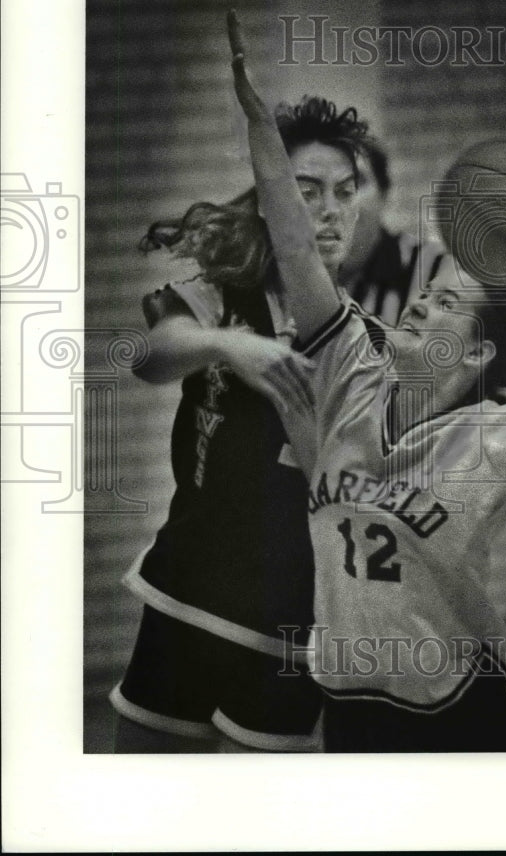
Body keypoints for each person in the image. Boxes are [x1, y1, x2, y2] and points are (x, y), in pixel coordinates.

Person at [228, 9, 506, 752]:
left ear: (476, 355)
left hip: (457, 704)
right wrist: (261, 129)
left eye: (449, 304)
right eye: (430, 292)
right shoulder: (353, 367)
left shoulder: (496, 437)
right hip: (351, 698)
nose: (423, 298)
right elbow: (294, 246)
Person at [110, 96, 379, 752]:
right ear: (269, 200)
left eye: (343, 192)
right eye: (305, 190)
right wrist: (227, 346)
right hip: (188, 591)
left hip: (293, 621)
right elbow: (149, 357)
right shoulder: (221, 297)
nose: (328, 208)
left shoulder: (362, 339)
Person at [344, 143, 506, 621]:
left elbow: (502, 407)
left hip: (409, 516)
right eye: (320, 189)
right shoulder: (293, 279)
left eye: (356, 185)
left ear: (386, 194)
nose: (340, 203)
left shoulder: (434, 273)